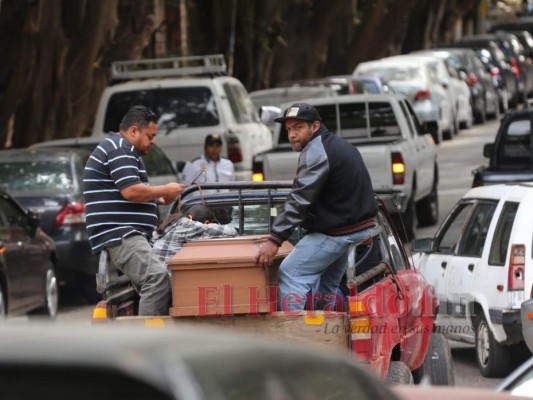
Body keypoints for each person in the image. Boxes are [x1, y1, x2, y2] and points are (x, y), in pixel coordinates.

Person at [255, 102, 378, 312]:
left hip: (339, 232)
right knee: (326, 286)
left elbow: (300, 198)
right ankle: (326, 335)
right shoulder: (338, 145)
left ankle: (294, 340)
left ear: (315, 126)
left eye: (298, 128)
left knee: (290, 274)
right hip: (353, 228)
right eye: (288, 130)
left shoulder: (317, 151)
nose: (292, 135)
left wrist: (275, 239)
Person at [83, 105, 185, 316]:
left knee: (161, 280)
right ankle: (146, 343)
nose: (153, 141)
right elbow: (130, 191)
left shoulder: (121, 149)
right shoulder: (120, 148)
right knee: (156, 278)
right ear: (133, 131)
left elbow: (124, 190)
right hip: (121, 233)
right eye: (150, 136)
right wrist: (165, 188)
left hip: (126, 232)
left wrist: (155, 198)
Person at [152, 204, 238, 264]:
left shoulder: (170, 223)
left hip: (153, 273)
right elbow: (231, 231)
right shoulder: (187, 224)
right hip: (165, 277)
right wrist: (213, 225)